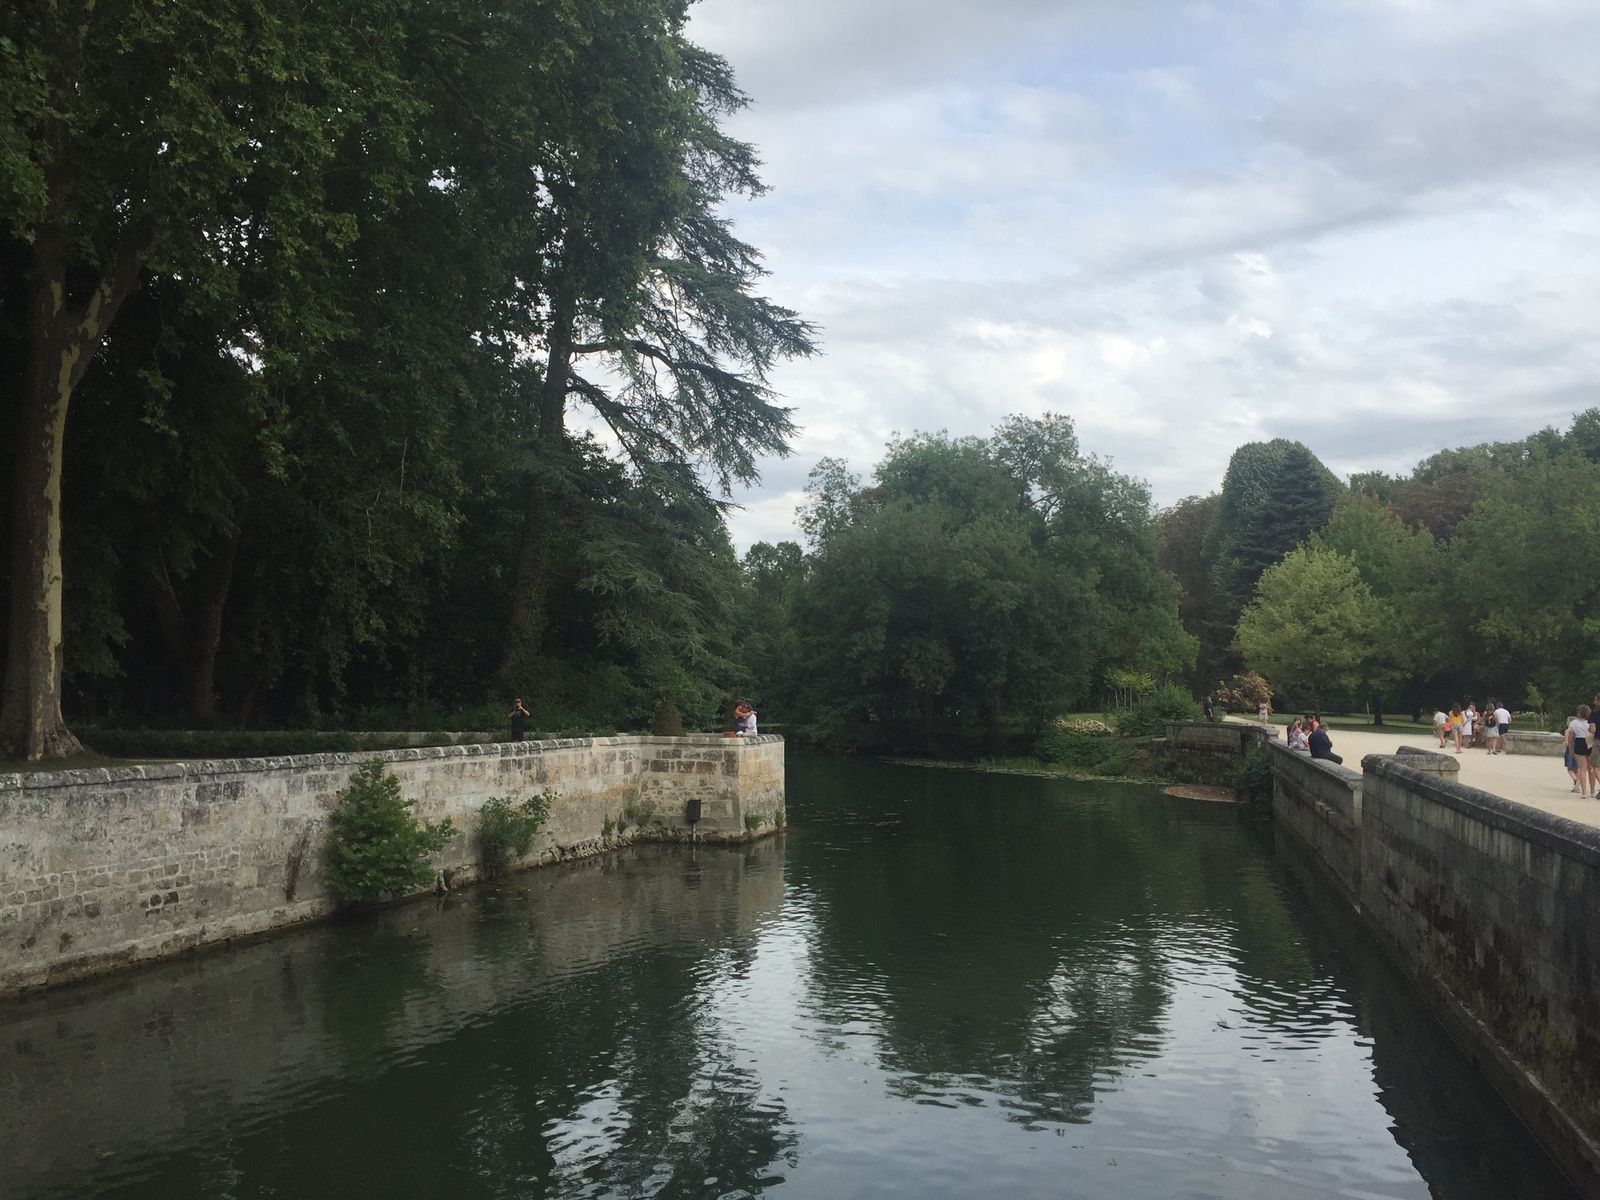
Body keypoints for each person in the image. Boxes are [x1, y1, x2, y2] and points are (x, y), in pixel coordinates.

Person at [1565, 704, 1593, 797]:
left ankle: (1584, 792)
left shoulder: (1574, 723)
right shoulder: (1591, 722)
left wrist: (1570, 749)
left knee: (1582, 769)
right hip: (1589, 741)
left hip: (1579, 743)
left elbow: (1570, 738)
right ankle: (1592, 791)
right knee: (1591, 769)